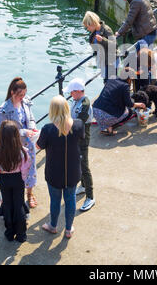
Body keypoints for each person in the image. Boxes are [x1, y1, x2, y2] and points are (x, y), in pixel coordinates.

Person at [37, 95, 85, 238]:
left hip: (54, 172)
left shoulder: (48, 129)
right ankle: (68, 229)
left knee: (55, 200)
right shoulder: (78, 124)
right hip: (73, 171)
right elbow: (81, 137)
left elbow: (39, 145)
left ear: (52, 111)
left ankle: (53, 225)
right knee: (70, 199)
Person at [0, 77, 38, 209]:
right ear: (12, 93)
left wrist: (32, 127)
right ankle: (7, 195)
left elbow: (31, 117)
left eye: (24, 94)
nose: (23, 97)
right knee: (13, 172)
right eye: (20, 95)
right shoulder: (4, 110)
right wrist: (23, 132)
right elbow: (4, 131)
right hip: (13, 146)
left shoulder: (25, 103)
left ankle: (30, 193)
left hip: (28, 144)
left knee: (30, 170)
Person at [0, 121, 31, 243]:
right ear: (16, 135)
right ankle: (21, 234)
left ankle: (9, 232)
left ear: (1, 135)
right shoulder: (22, 151)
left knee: (7, 205)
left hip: (4, 180)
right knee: (19, 205)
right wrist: (23, 179)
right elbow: (26, 168)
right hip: (18, 179)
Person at [63, 78, 95, 212]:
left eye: (71, 92)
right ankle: (82, 185)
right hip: (76, 134)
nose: (70, 94)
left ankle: (90, 196)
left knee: (84, 165)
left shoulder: (85, 104)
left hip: (82, 136)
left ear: (77, 92)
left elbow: (79, 122)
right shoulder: (77, 101)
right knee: (78, 161)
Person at [93, 68, 146, 136]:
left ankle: (107, 128)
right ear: (129, 78)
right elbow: (129, 104)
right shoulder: (125, 86)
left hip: (95, 111)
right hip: (106, 116)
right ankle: (110, 127)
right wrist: (140, 104)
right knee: (129, 112)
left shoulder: (112, 78)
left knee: (110, 107)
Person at [83, 11, 117, 81]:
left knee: (110, 82)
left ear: (92, 24)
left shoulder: (106, 30)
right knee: (106, 80)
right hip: (104, 61)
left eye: (87, 27)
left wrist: (102, 40)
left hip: (110, 61)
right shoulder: (93, 33)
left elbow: (114, 45)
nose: (87, 29)